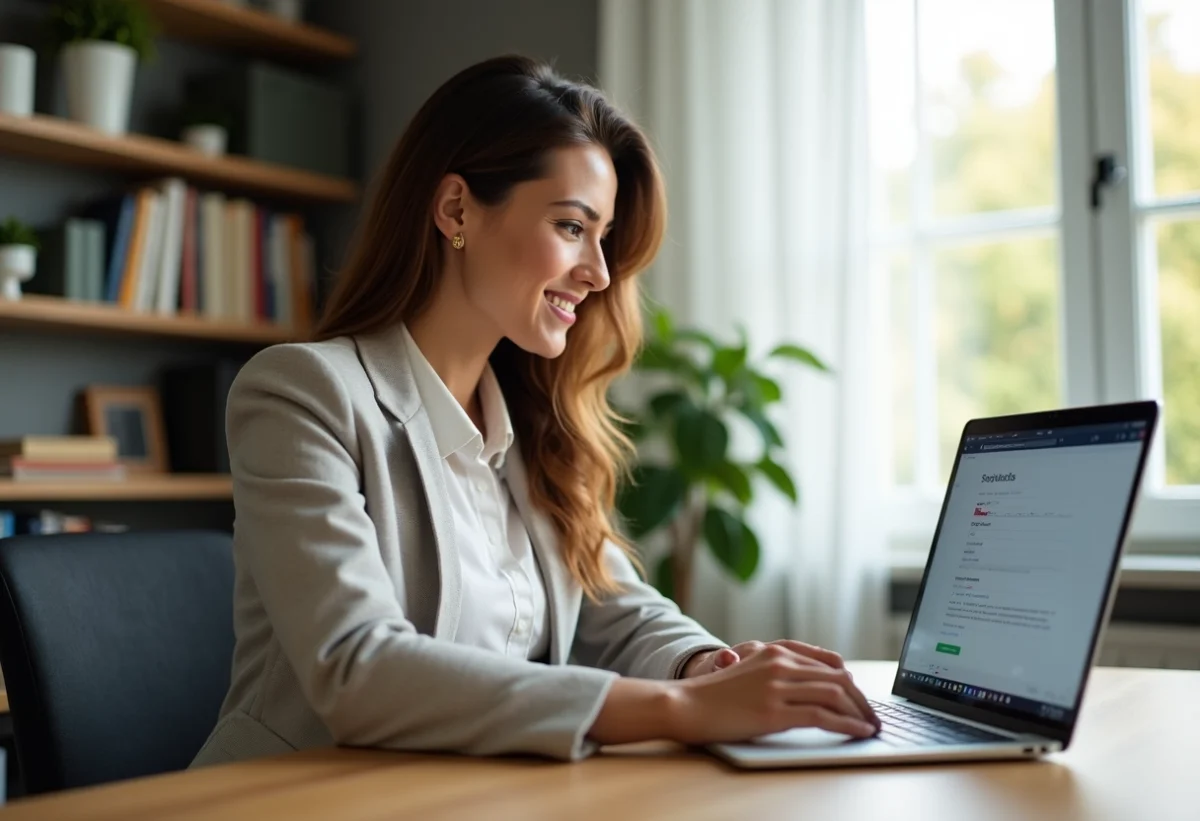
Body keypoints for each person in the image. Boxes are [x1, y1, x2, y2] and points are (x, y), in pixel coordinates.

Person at [191, 55, 879, 768]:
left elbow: (614, 606)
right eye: (572, 226)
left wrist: (709, 667)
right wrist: (681, 709)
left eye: (604, 237)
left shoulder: (534, 425)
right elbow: (356, 666)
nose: (599, 273)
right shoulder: (303, 394)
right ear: (456, 210)